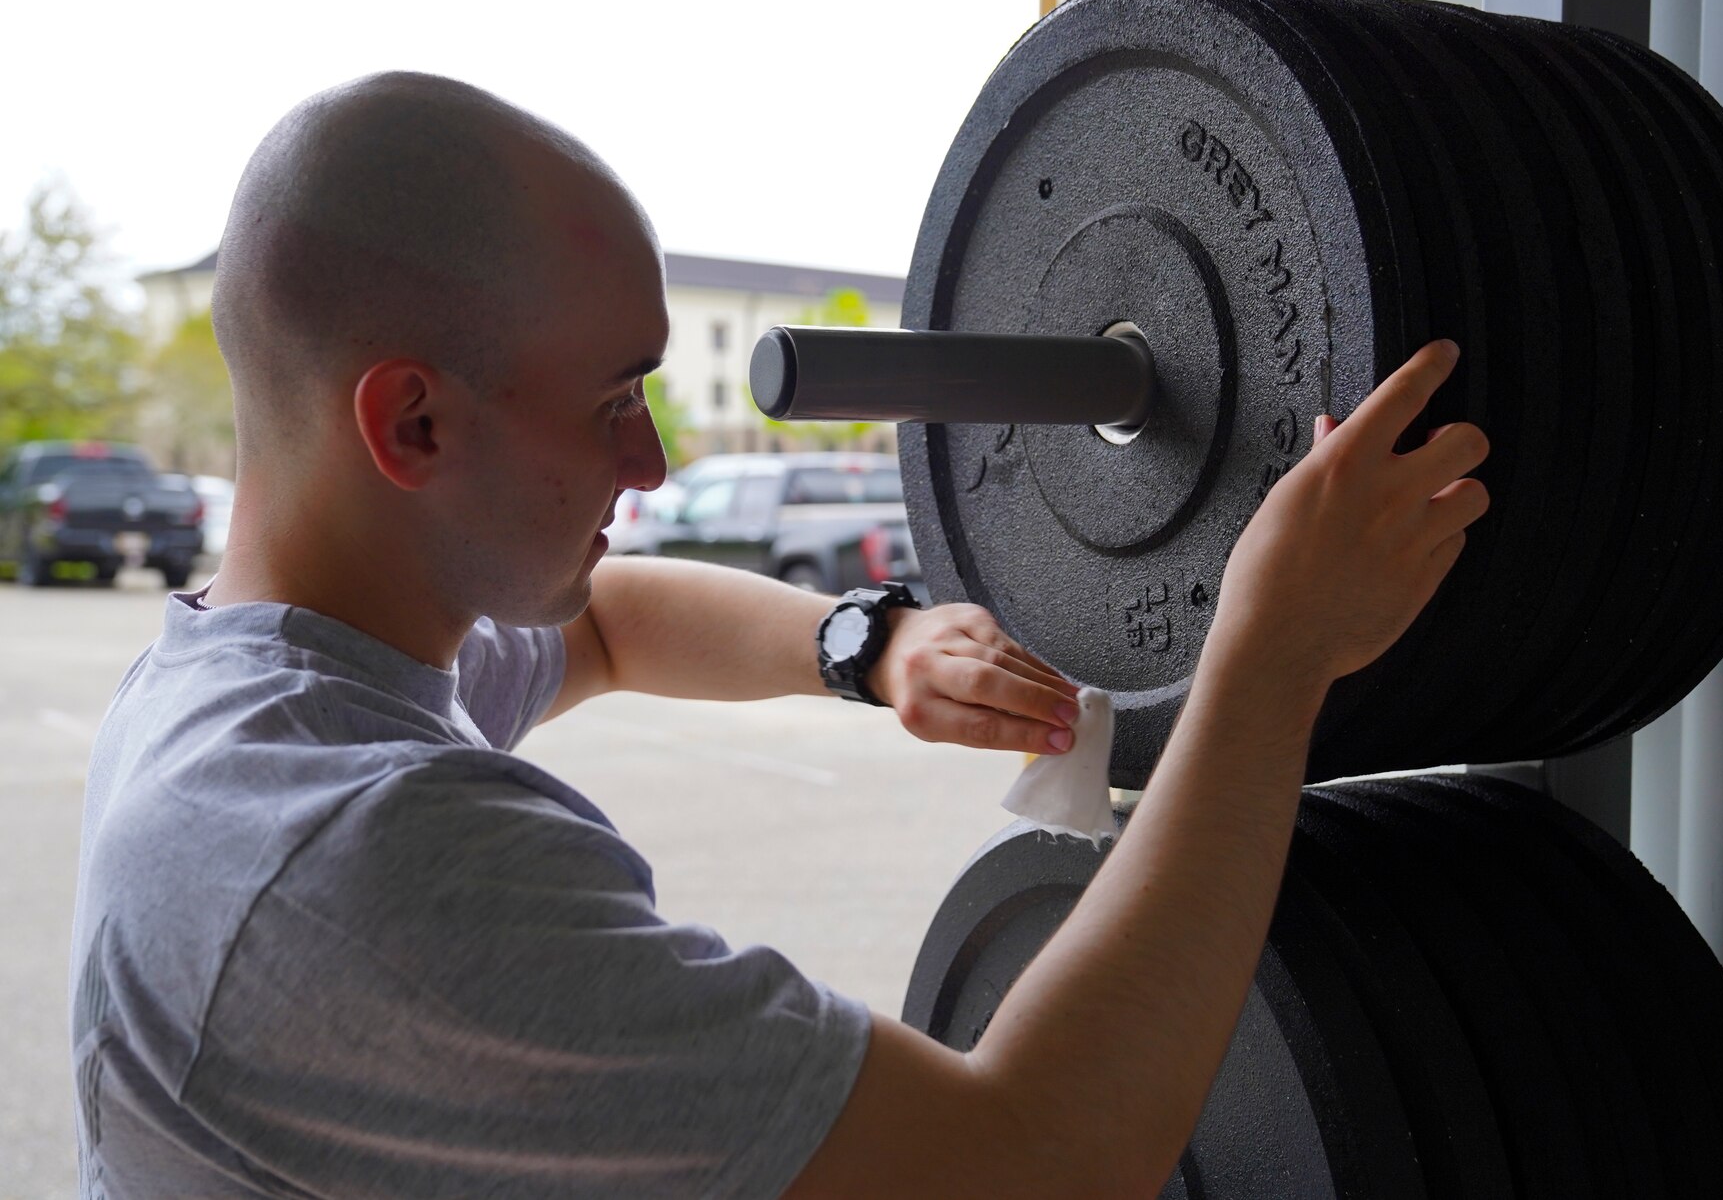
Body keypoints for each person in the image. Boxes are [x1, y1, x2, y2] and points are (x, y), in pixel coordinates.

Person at [68, 72, 1488, 1197]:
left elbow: (617, 619)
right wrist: (1272, 646)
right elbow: (1040, 1163)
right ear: (412, 423)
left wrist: (870, 646)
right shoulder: (360, 858)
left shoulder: (256, 677)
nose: (653, 463)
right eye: (615, 397)